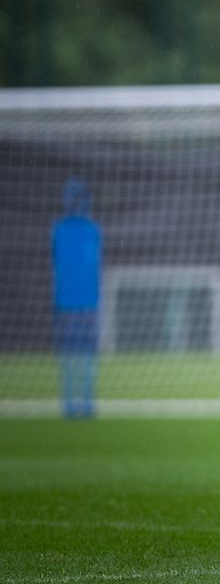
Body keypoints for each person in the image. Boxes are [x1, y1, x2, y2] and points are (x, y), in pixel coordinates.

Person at [51, 177, 102, 419]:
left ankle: (84, 401)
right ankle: (73, 401)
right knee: (71, 353)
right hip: (70, 303)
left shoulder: (90, 229)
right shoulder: (62, 229)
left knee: (82, 353)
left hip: (84, 302)